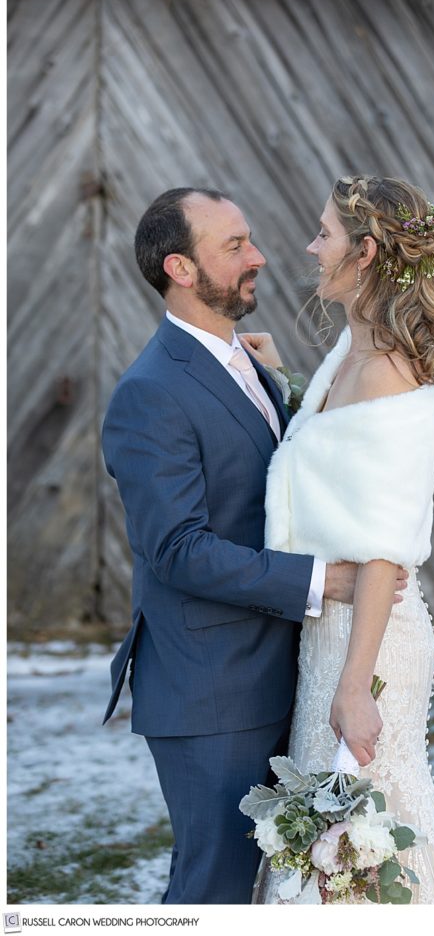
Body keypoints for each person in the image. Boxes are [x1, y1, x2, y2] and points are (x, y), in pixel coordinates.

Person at [101, 186, 408, 905]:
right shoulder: (150, 391)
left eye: (250, 239)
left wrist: (293, 395)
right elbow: (175, 547)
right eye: (234, 246)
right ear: (179, 268)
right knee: (214, 889)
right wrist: (318, 581)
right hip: (209, 690)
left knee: (274, 885)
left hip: (276, 672)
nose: (260, 257)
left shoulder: (244, 365)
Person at [250, 175, 434, 904]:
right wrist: (283, 384)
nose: (309, 246)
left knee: (368, 826)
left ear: (362, 251)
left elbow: (384, 539)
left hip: (372, 635)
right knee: (333, 829)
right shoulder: (349, 357)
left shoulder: (386, 372)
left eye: (322, 232)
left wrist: (356, 687)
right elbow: (339, 455)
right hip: (333, 628)